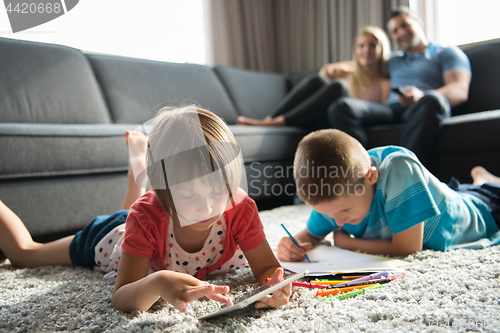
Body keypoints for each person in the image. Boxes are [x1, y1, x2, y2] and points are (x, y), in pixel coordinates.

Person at [0, 106, 292, 313]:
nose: (207, 207)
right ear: (164, 191)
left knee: (137, 216)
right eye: (189, 195)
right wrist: (158, 281)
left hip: (147, 220)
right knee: (26, 253)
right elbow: (122, 297)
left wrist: (274, 287)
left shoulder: (240, 208)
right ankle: (137, 174)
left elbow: (267, 269)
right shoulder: (146, 216)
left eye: (217, 191)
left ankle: (137, 172)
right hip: (114, 233)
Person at [277, 129, 500, 260]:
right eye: (326, 214)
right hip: (448, 194)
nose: (337, 221)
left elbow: (408, 248)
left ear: (371, 177)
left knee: (484, 193)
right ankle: (481, 179)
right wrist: (292, 244)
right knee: (464, 189)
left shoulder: (400, 168)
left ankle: (486, 181)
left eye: (346, 210)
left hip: (483, 210)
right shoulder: (333, 198)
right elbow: (311, 235)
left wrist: (347, 244)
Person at [327, 6, 472, 163]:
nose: (401, 33)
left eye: (404, 25)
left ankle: (401, 168)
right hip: (391, 109)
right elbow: (363, 62)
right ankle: (366, 166)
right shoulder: (393, 60)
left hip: (423, 107)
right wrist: (334, 68)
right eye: (395, 31)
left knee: (433, 99)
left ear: (419, 22)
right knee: (340, 107)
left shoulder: (446, 53)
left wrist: (420, 96)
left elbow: (460, 90)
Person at [236, 26, 392, 130]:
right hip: (319, 115)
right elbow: (324, 73)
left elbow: (381, 112)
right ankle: (269, 119)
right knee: (320, 81)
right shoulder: (348, 71)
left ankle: (273, 123)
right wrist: (337, 67)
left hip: (345, 118)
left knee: (340, 87)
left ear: (382, 49)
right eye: (361, 45)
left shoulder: (385, 81)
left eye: (372, 45)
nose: (366, 50)